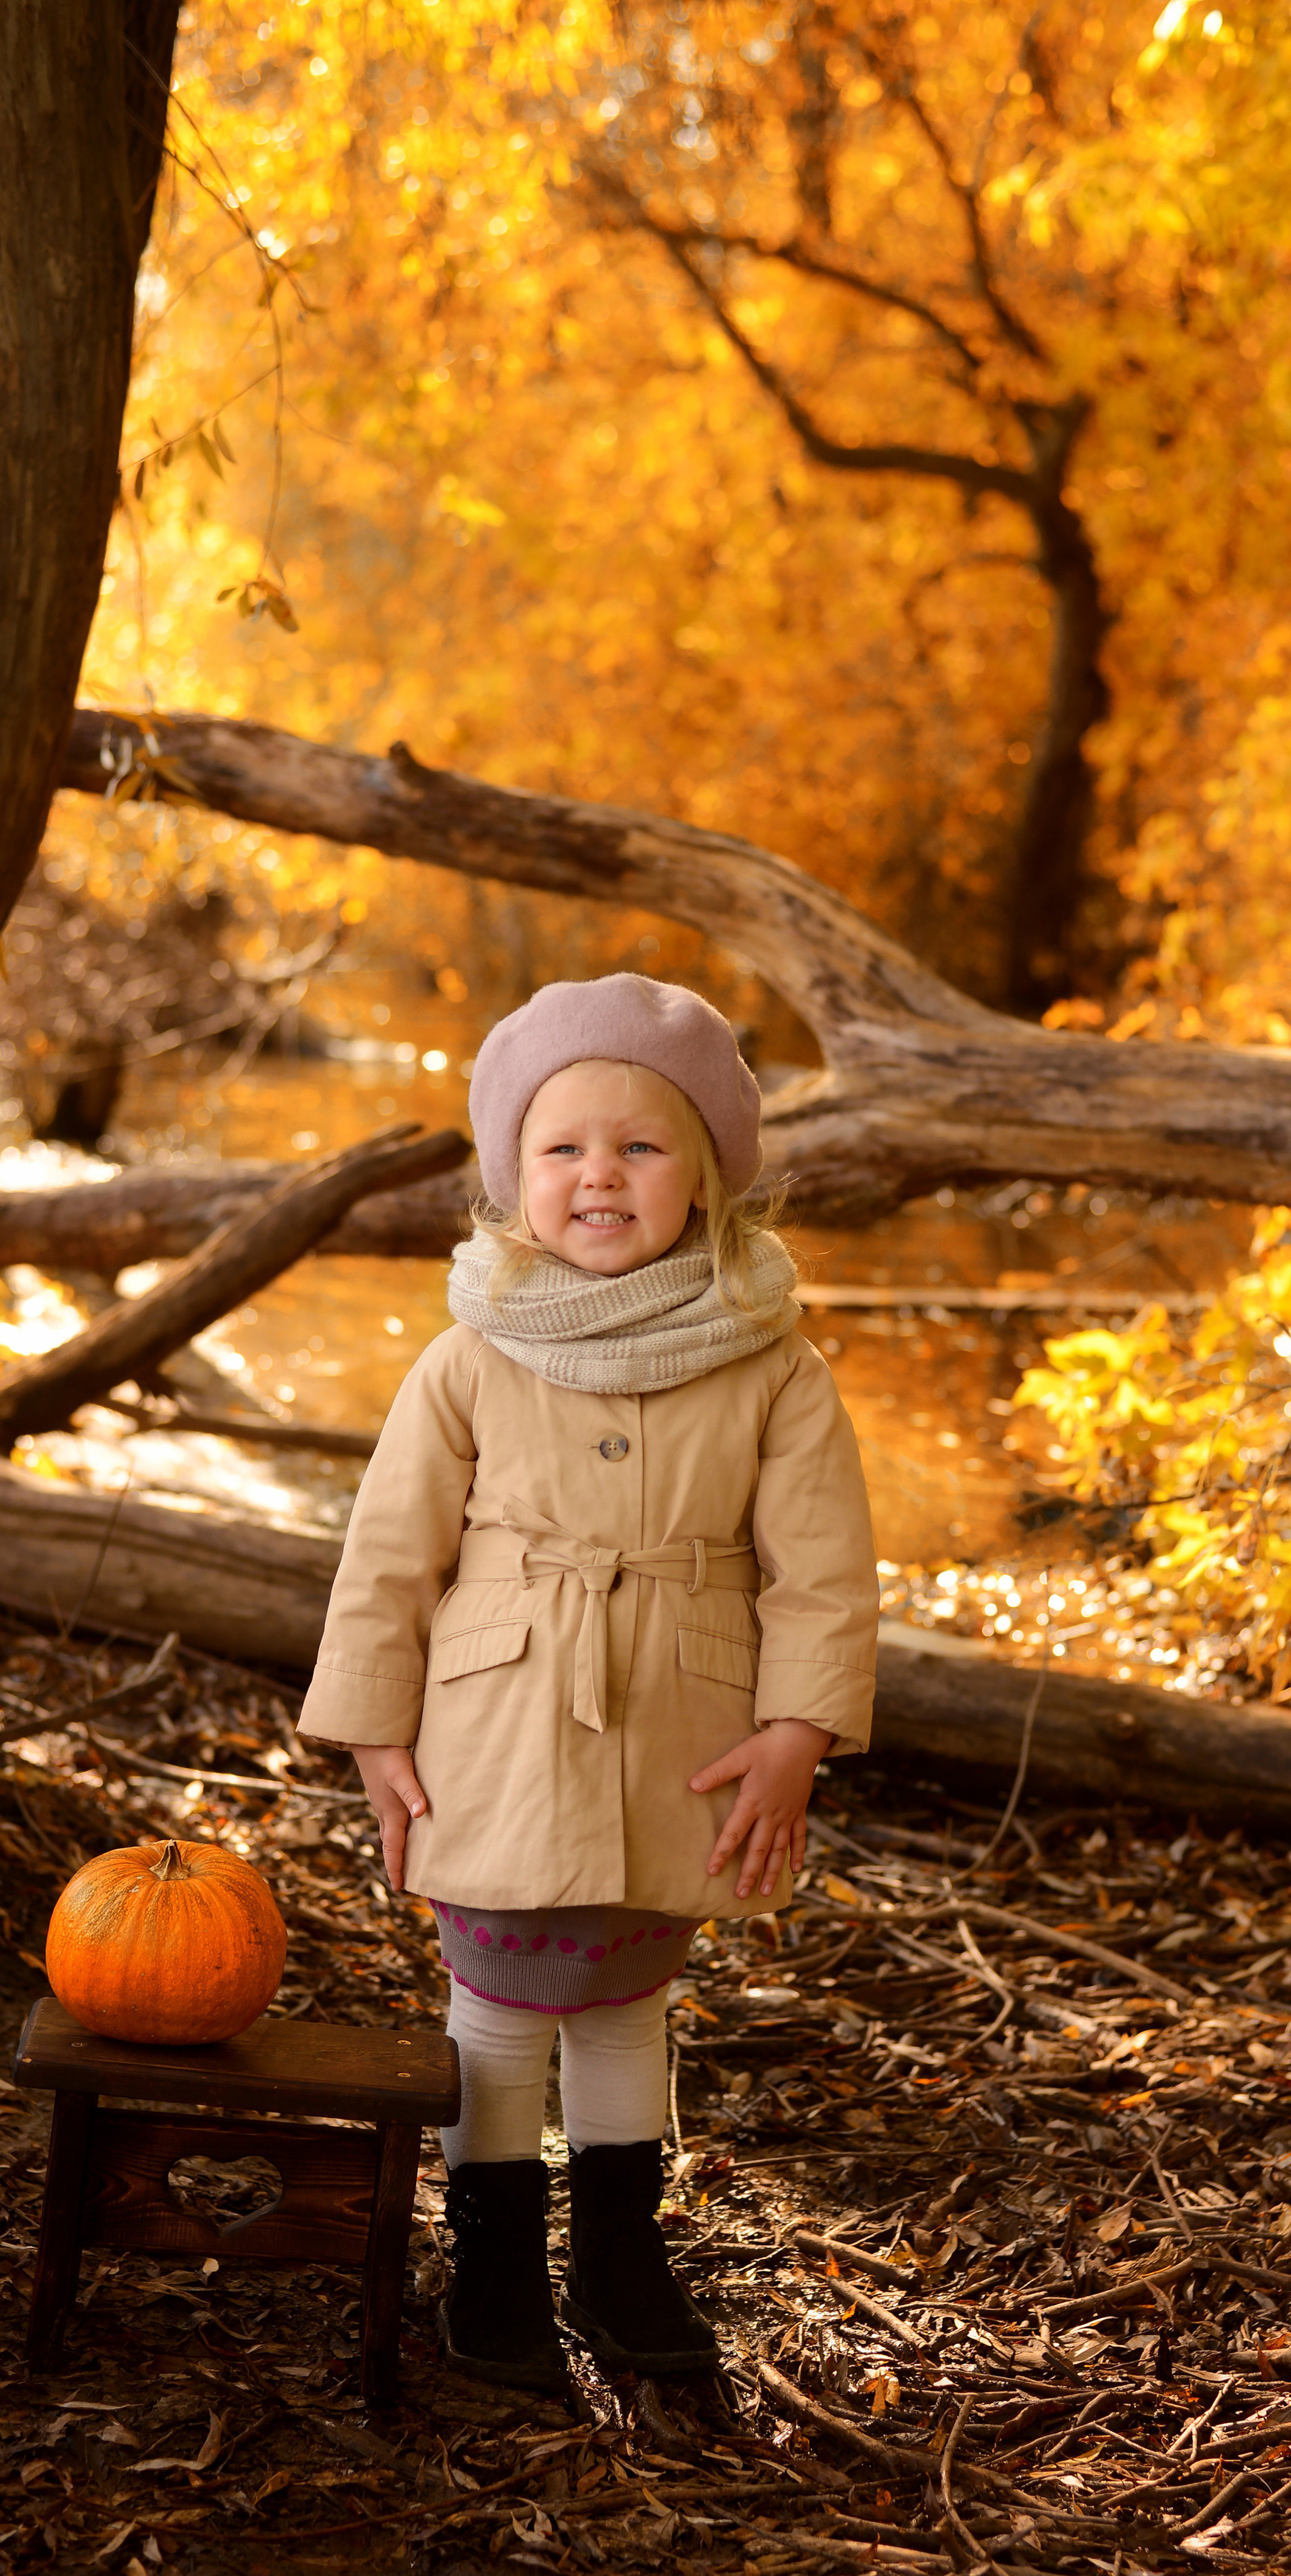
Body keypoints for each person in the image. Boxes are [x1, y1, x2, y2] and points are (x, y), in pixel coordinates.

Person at [298, 974, 880, 2391]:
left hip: (681, 1718)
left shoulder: (772, 1363)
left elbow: (826, 1568)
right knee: (496, 2000)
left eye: (640, 1146)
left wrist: (798, 1728)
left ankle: (624, 2257)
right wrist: (376, 1731)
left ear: (708, 1181)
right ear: (513, 1180)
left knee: (625, 1998)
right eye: (563, 1149)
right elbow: (390, 1553)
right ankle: (492, 2266)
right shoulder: (469, 1352)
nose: (600, 1175)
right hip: (493, 1722)